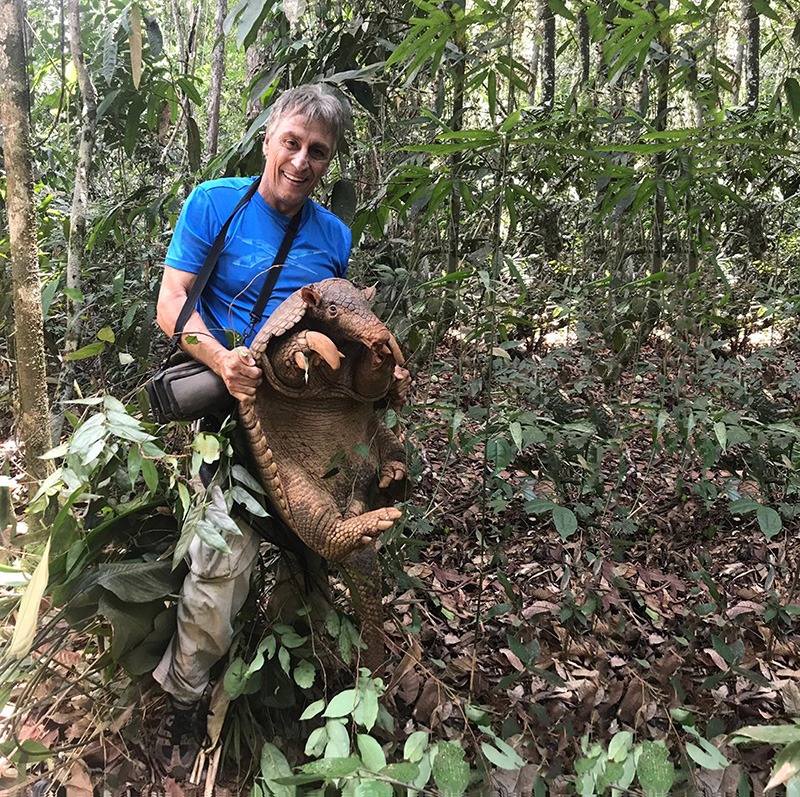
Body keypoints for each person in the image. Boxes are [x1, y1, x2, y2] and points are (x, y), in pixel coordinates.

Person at [151, 85, 407, 779]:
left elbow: (334, 325)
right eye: (291, 142)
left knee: (322, 540)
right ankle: (182, 692)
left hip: (300, 415)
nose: (300, 160)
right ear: (268, 138)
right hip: (226, 398)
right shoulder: (216, 201)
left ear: (329, 161)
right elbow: (170, 302)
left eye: (316, 151)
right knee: (225, 556)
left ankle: (299, 687)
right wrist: (221, 359)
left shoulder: (333, 236)